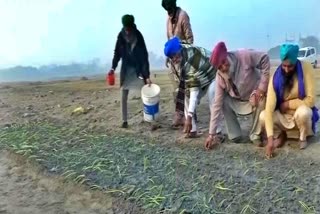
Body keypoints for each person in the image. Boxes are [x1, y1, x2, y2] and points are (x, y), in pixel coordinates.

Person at [205, 42, 270, 150]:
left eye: (223, 63)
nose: (223, 68)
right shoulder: (220, 76)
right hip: (237, 100)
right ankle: (235, 134)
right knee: (222, 101)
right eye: (219, 67)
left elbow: (265, 58)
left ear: (226, 56)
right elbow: (216, 105)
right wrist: (211, 134)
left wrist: (261, 89)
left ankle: (255, 135)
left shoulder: (244, 55)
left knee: (262, 99)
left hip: (253, 96)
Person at [260, 44, 319, 158]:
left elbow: (311, 100)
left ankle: (302, 136)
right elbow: (269, 109)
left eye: (290, 66)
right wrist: (270, 139)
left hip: (299, 116)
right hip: (283, 117)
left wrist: (288, 104)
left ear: (296, 61)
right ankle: (279, 135)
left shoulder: (306, 68)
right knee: (263, 116)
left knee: (304, 112)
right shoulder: (275, 77)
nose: (286, 70)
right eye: (284, 66)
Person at [164, 37, 223, 138]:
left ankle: (217, 132)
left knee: (212, 97)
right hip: (197, 77)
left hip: (211, 75)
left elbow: (194, 92)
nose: (174, 59)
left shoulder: (190, 61)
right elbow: (190, 88)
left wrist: (189, 117)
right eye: (171, 57)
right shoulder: (180, 49)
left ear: (180, 50)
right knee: (186, 96)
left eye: (175, 56)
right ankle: (192, 130)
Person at [108, 14, 152, 128]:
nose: (127, 31)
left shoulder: (138, 36)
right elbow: (117, 53)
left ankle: (149, 118)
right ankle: (124, 121)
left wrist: (146, 75)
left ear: (132, 26)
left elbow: (144, 57)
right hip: (126, 69)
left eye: (129, 28)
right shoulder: (121, 36)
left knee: (145, 92)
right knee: (123, 93)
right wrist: (113, 67)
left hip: (138, 68)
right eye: (125, 28)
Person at [162, 0, 194, 128]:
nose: (169, 14)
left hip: (183, 58)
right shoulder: (168, 18)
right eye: (167, 11)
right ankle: (179, 115)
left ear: (174, 7)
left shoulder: (183, 16)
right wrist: (168, 56)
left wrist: (182, 53)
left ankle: (190, 116)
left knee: (186, 89)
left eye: (170, 11)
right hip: (173, 61)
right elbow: (168, 38)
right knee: (176, 89)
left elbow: (190, 39)